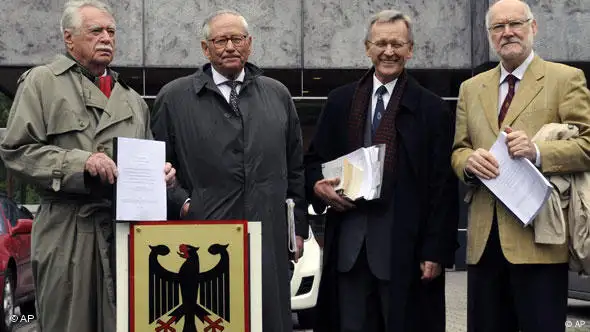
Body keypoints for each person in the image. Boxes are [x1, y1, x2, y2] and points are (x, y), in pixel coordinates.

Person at [0, 1, 176, 331]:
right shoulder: (42, 82)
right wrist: (81, 163)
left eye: (111, 31)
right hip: (67, 229)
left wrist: (160, 176)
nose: (106, 38)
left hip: (122, 232)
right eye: (96, 31)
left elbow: (145, 157)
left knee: (125, 322)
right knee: (69, 323)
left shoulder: (134, 101)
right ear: (69, 39)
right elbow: (16, 151)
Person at [150, 9, 307, 332]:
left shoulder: (277, 95)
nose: (230, 46)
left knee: (267, 320)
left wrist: (298, 228)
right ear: (206, 49)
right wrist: (184, 204)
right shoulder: (174, 97)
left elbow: (295, 169)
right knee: (213, 318)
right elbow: (157, 166)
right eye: (221, 40)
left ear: (249, 44)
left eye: (237, 38)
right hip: (205, 236)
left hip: (268, 236)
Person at [305, 9, 458, 332]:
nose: (389, 51)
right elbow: (312, 163)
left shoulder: (431, 109)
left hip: (404, 250)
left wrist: (436, 250)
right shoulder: (340, 101)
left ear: (410, 49)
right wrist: (318, 187)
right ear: (367, 48)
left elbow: (442, 187)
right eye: (382, 43)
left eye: (398, 44)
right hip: (349, 249)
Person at [451, 0, 590, 331]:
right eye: (498, 27)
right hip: (485, 244)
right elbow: (459, 149)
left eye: (515, 23)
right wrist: (468, 163)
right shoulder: (470, 88)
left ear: (534, 27)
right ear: (490, 35)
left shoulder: (566, 79)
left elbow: (586, 144)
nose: (507, 32)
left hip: (540, 240)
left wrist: (538, 151)